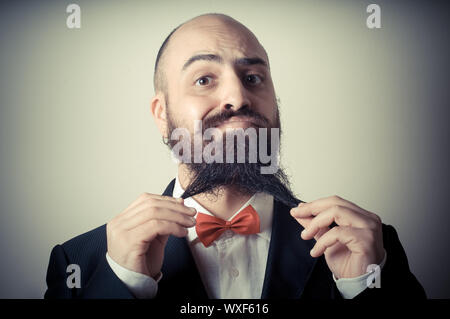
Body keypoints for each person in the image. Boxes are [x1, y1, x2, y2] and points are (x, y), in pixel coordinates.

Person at [44, 13, 426, 299]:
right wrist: (125, 284)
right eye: (204, 79)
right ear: (162, 115)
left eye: (253, 78)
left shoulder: (369, 248)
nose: (238, 98)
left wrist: (362, 288)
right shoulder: (82, 262)